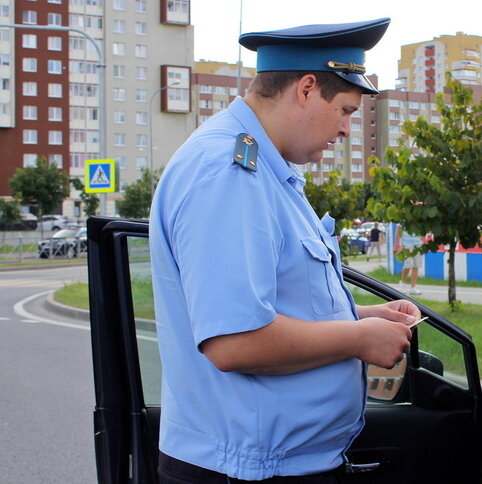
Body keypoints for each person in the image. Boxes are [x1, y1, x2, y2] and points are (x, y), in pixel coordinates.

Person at [149, 18, 421, 483]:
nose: (346, 131)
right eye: (347, 111)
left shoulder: (268, 171)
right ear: (307, 88)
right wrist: (358, 339)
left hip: (271, 465)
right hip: (246, 472)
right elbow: (234, 341)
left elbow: (280, 302)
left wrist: (362, 318)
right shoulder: (229, 173)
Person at [394, 223, 422, 295]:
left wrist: (422, 239)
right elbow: (398, 234)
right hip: (406, 245)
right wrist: (396, 246)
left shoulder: (419, 219)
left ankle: (413, 288)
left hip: (418, 244)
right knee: (408, 265)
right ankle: (403, 283)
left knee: (416, 266)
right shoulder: (403, 220)